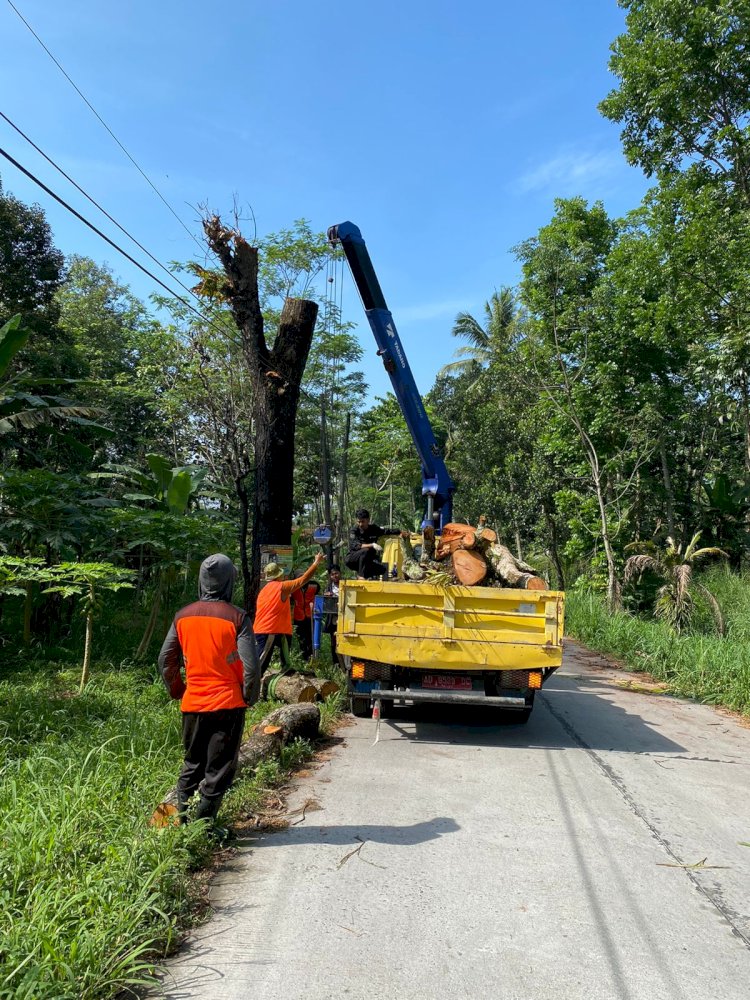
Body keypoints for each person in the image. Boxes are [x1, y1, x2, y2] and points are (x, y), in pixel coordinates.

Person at [158, 553, 259, 832]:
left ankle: (181, 823)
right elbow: (251, 666)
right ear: (228, 581)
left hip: (193, 704)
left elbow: (165, 660)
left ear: (202, 581)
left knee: (192, 763)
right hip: (227, 705)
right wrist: (249, 696)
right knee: (220, 768)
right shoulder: (237, 617)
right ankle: (204, 826)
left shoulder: (183, 616)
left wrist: (179, 690)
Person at [254, 551, 325, 670]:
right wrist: (316, 562)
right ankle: (249, 687)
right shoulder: (282, 587)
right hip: (269, 631)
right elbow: (304, 579)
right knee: (260, 666)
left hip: (277, 631)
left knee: (284, 666)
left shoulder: (264, 590)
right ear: (279, 576)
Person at [345, 508, 409, 579]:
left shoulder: (373, 529)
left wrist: (399, 532)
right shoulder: (354, 531)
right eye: (358, 522)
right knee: (365, 550)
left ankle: (368, 579)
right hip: (353, 559)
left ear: (368, 520)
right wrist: (372, 545)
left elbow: (386, 531)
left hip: (366, 562)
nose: (360, 524)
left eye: (362, 521)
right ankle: (361, 576)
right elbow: (356, 545)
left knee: (383, 569)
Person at [292, 578, 320, 661]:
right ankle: (304, 658)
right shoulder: (294, 586)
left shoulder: (314, 585)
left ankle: (312, 657)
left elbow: (318, 592)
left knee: (311, 637)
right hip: (299, 617)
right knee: (302, 639)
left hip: (310, 615)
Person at [323, 565, 341, 661]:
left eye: (336, 573)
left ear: (340, 573)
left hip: (344, 617)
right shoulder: (329, 587)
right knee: (333, 641)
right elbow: (325, 600)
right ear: (330, 576)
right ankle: (336, 663)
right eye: (333, 574)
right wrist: (326, 595)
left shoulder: (345, 584)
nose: (335, 576)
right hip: (333, 618)